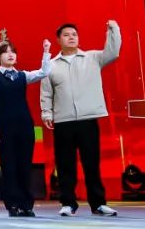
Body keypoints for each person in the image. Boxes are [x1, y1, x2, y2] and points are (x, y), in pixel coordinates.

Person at [41, 21, 121, 217]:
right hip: (63, 121)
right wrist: (47, 113)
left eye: (74, 34)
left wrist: (113, 30)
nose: (71, 37)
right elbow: (46, 92)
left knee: (92, 164)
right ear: (58, 40)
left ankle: (98, 203)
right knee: (65, 165)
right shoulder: (51, 65)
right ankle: (68, 203)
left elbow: (113, 52)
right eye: (66, 35)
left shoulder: (92, 58)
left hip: (88, 119)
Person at [0, 39, 52, 217]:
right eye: (6, 52)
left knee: (24, 165)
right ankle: (12, 204)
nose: (10, 55)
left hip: (24, 125)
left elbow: (44, 72)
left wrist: (46, 51)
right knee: (9, 166)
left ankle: (26, 204)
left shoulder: (23, 75)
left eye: (13, 52)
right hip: (5, 125)